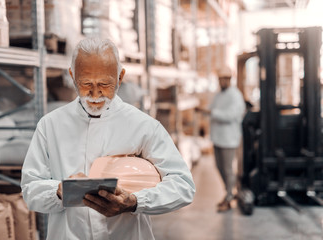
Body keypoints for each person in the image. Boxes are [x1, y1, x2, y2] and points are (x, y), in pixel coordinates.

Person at [20, 37, 195, 239]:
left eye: (105, 84)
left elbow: (183, 185)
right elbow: (30, 188)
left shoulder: (143, 126)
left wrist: (136, 201)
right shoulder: (50, 125)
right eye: (86, 84)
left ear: (120, 77)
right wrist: (59, 191)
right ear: (72, 76)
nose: (95, 94)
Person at [198, 66, 245, 212]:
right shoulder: (219, 95)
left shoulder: (235, 95)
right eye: (220, 79)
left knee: (228, 169)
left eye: (224, 79)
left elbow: (232, 116)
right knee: (219, 167)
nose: (222, 82)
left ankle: (230, 195)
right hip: (218, 138)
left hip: (229, 139)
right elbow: (212, 109)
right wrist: (204, 110)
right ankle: (229, 191)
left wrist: (212, 112)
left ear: (229, 79)